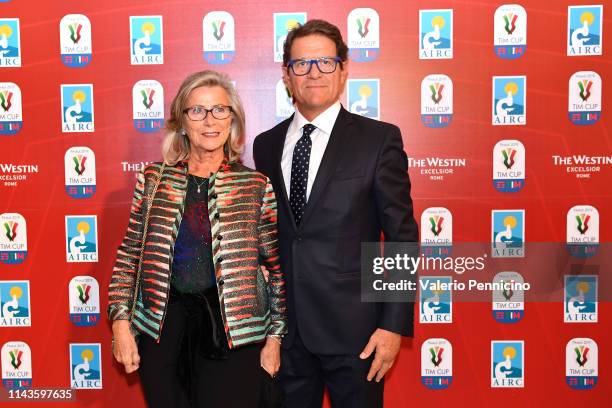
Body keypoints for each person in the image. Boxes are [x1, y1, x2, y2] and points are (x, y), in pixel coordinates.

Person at [253, 20, 418, 408]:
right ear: (286, 75)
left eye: (325, 62)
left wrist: (392, 325)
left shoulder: (379, 140)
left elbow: (401, 238)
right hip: (283, 334)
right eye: (301, 64)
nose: (313, 73)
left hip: (357, 335)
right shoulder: (266, 144)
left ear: (343, 70)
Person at [108, 70, 287, 408]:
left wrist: (275, 338)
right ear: (181, 122)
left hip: (233, 333)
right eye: (197, 111)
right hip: (162, 330)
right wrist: (120, 323)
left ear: (232, 119)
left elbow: (275, 270)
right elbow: (129, 256)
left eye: (220, 109)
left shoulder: (255, 186)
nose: (210, 120)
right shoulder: (153, 180)